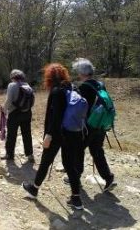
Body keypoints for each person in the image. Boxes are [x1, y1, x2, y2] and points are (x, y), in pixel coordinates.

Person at [22, 63, 84, 210]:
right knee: (69, 165)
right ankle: (76, 199)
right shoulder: (72, 87)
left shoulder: (57, 91)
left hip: (57, 133)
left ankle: (34, 189)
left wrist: (48, 135)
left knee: (45, 161)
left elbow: (55, 117)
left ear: (49, 77)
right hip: (73, 132)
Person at [66, 58, 117, 192]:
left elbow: (82, 108)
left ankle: (75, 177)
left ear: (81, 72)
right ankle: (108, 177)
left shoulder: (85, 87)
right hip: (101, 124)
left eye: (77, 71)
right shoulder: (100, 84)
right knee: (97, 150)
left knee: (78, 149)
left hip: (89, 125)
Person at [0, 69, 35, 163]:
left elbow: (9, 100)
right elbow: (32, 101)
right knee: (27, 134)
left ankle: (9, 155)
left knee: (11, 134)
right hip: (27, 113)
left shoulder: (12, 85)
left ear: (13, 77)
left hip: (14, 114)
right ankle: (30, 155)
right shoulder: (27, 85)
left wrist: (3, 108)